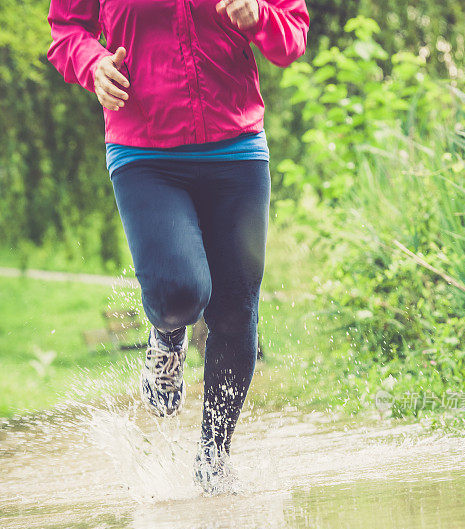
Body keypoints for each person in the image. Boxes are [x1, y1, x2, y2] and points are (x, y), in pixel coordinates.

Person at [46, 0, 310, 493]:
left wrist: (260, 19)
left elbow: (291, 32)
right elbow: (66, 31)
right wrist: (92, 63)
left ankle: (214, 459)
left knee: (235, 313)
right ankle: (166, 336)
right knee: (180, 292)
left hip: (236, 147)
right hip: (144, 152)